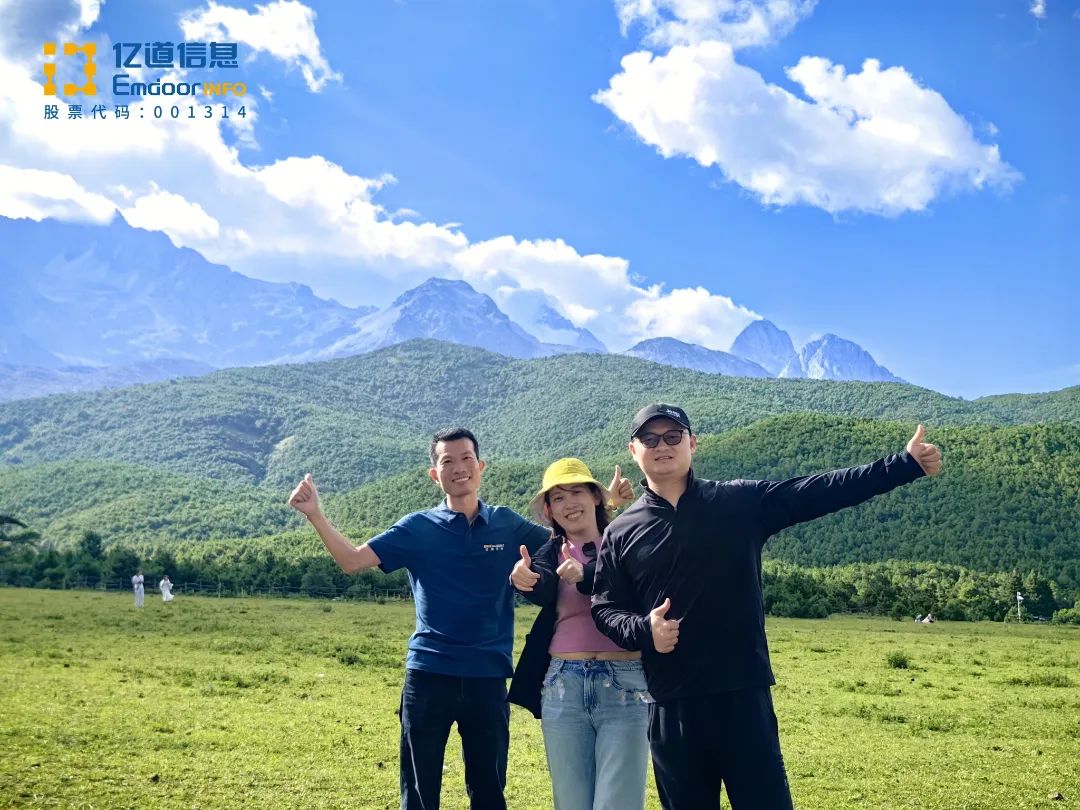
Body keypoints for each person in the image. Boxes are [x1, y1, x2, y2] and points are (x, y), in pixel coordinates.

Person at [591, 403, 943, 809]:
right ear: (633, 450)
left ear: (692, 443)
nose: (662, 446)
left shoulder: (740, 503)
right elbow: (605, 607)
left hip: (744, 695)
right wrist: (643, 630)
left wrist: (902, 465)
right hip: (672, 704)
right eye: (649, 439)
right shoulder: (621, 531)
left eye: (673, 436)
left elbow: (819, 491)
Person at [288, 427, 550, 810]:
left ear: (481, 466)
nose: (459, 468)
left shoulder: (508, 525)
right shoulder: (417, 528)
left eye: (466, 460)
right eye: (447, 462)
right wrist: (315, 514)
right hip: (429, 675)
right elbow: (351, 560)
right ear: (434, 474)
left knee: (490, 791)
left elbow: (566, 540)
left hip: (488, 677)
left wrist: (601, 503)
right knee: (419, 792)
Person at [507, 458, 647, 810]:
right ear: (549, 511)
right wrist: (524, 578)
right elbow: (540, 582)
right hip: (563, 684)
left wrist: (586, 573)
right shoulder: (550, 551)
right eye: (557, 498)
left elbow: (629, 584)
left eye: (577, 492)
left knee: (619, 802)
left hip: (626, 687)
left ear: (596, 497)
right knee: (570, 802)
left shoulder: (626, 541)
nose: (568, 503)